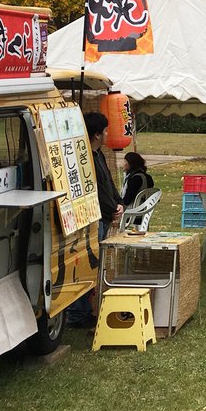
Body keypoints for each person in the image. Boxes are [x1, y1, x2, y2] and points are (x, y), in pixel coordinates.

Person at [68, 112, 123, 327]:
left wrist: (119, 203)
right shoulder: (85, 157)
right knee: (87, 264)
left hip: (105, 216)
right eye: (106, 130)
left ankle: (86, 309)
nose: (108, 134)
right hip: (93, 218)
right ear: (97, 134)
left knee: (96, 264)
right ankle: (77, 313)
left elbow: (108, 182)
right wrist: (112, 209)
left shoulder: (99, 154)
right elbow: (95, 191)